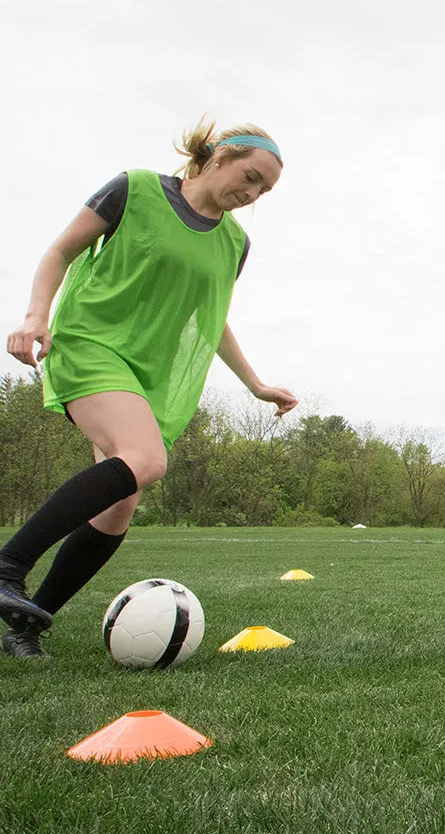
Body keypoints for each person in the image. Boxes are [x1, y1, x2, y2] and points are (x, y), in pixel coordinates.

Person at [1, 117, 298, 659]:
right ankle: (7, 566)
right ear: (219, 155)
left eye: (264, 190)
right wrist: (34, 315)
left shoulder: (235, 242)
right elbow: (59, 252)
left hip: (146, 375)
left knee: (120, 503)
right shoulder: (133, 189)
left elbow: (211, 318)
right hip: (91, 344)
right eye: (250, 176)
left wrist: (255, 384)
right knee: (146, 458)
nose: (252, 193)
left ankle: (25, 627)